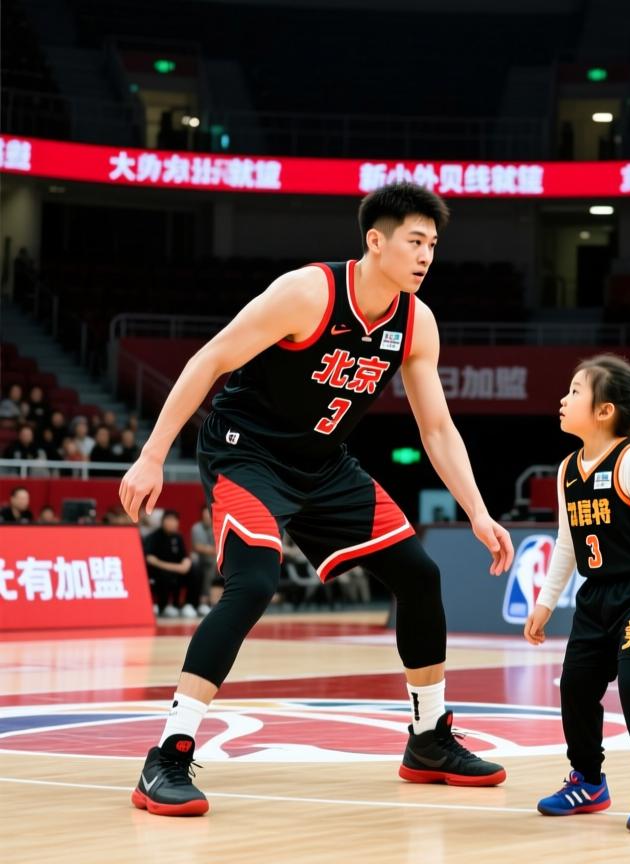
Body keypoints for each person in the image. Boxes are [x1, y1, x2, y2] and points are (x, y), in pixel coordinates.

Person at [119, 182, 513, 817]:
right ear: (375, 241)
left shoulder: (416, 322)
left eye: (433, 245)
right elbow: (212, 357)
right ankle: (167, 753)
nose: (426, 256)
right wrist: (153, 453)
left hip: (323, 465)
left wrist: (476, 511)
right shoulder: (308, 292)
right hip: (247, 453)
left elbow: (436, 428)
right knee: (253, 584)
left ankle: (429, 739)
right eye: (415, 241)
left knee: (420, 575)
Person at [524, 354, 630, 834]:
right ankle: (588, 781)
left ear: (604, 411)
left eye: (575, 391)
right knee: (574, 687)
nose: (563, 398)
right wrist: (546, 601)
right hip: (597, 595)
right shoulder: (567, 469)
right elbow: (568, 541)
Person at [145, 510, 195, 618]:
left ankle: (188, 604)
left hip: (177, 569)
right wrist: (173, 567)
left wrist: (186, 563)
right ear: (163, 521)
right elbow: (150, 558)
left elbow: (185, 556)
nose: (172, 523)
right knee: (164, 574)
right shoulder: (154, 537)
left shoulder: (178, 537)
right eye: (169, 520)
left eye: (174, 520)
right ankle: (164, 606)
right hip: (159, 569)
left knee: (195, 570)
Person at [189, 506, 218, 614]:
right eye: (205, 514)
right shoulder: (196, 528)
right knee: (209, 566)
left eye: (209, 514)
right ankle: (203, 601)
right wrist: (213, 550)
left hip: (214, 559)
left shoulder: (217, 527)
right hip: (199, 559)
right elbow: (198, 547)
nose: (207, 517)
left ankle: (217, 602)